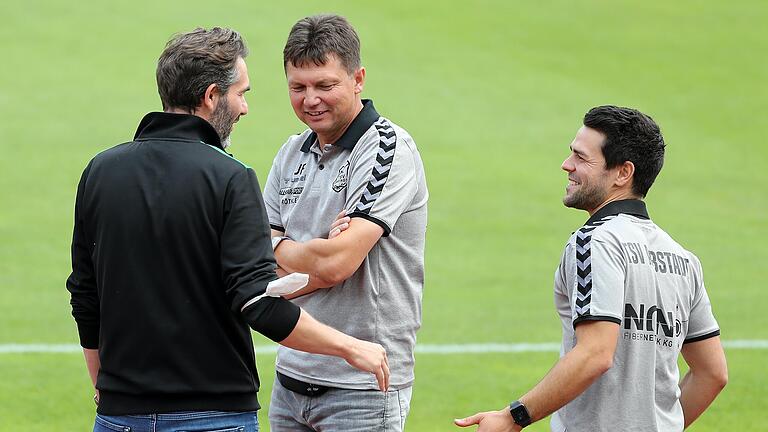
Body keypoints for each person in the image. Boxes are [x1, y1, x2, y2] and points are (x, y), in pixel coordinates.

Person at [66, 27, 390, 432]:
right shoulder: (229, 177)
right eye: (242, 94)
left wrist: (105, 385)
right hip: (215, 416)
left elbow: (85, 292)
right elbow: (257, 302)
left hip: (118, 416)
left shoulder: (100, 172)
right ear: (211, 97)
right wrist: (350, 347)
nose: (244, 108)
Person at [455, 106, 728, 431]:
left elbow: (595, 353)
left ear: (623, 173)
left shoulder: (593, 241)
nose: (566, 165)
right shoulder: (682, 259)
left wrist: (513, 417)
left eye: (581, 158)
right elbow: (713, 374)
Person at [262, 14, 428, 431]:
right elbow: (255, 259)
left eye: (325, 85)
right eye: (298, 87)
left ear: (358, 79)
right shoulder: (291, 152)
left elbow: (337, 265)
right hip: (290, 378)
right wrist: (313, 252)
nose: (310, 99)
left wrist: (283, 248)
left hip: (363, 386)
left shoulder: (387, 150)